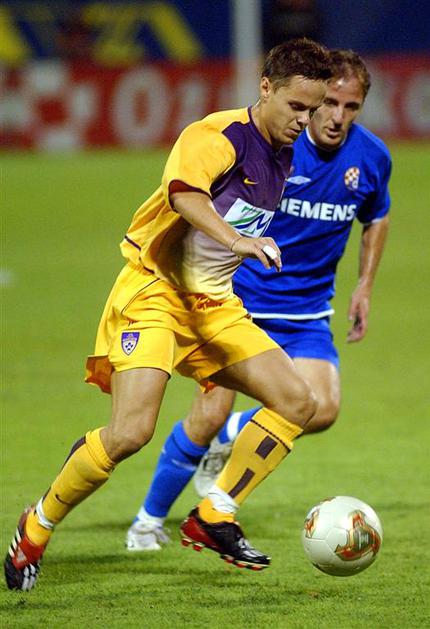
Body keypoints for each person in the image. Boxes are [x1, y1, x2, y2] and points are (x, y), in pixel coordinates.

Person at [4, 38, 332, 591]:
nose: (304, 120)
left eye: (312, 109)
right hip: (155, 294)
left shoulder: (283, 155)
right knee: (131, 432)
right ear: (266, 88)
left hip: (214, 306)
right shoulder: (217, 136)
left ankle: (214, 514)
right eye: (296, 106)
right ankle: (37, 525)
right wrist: (240, 241)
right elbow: (185, 195)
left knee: (299, 401)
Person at [125, 49, 391, 553]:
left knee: (321, 408)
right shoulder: (278, 145)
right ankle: (147, 521)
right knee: (205, 414)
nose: (337, 116)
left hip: (308, 311)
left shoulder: (373, 157)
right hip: (241, 301)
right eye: (328, 103)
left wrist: (365, 284)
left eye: (351, 106)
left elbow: (377, 215)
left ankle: (229, 437)